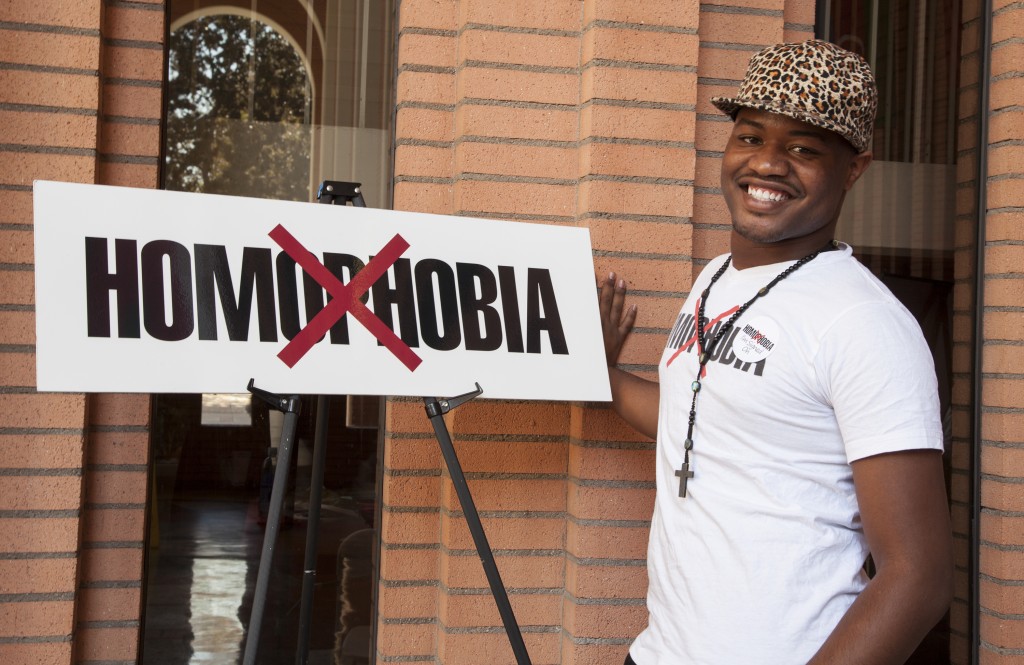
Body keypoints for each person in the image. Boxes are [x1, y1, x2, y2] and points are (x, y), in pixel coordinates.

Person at [600, 40, 953, 664]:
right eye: (751, 137)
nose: (766, 164)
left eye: (803, 149)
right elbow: (705, 417)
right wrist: (602, 375)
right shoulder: (714, 278)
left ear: (854, 169)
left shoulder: (866, 324)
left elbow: (917, 576)